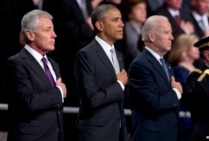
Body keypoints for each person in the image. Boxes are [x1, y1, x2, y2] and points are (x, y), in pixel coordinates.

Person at [5, 9, 67, 141]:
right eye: (47, 30)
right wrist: (59, 92)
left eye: (53, 30)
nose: (54, 35)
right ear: (30, 35)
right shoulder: (16, 63)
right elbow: (28, 102)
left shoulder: (54, 64)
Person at [74, 4, 129, 141]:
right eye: (115, 20)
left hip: (118, 132)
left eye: (121, 20)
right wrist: (119, 85)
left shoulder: (119, 55)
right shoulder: (86, 55)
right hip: (96, 134)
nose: (122, 24)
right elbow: (91, 98)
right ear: (99, 25)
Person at [128, 15, 183, 141]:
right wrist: (176, 92)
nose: (172, 37)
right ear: (151, 36)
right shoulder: (140, 65)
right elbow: (154, 103)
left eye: (172, 33)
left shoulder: (167, 65)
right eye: (166, 33)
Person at [168, 33, 200, 141]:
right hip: (186, 120)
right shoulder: (179, 71)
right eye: (194, 45)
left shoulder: (197, 68)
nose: (198, 49)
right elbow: (188, 92)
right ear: (184, 48)